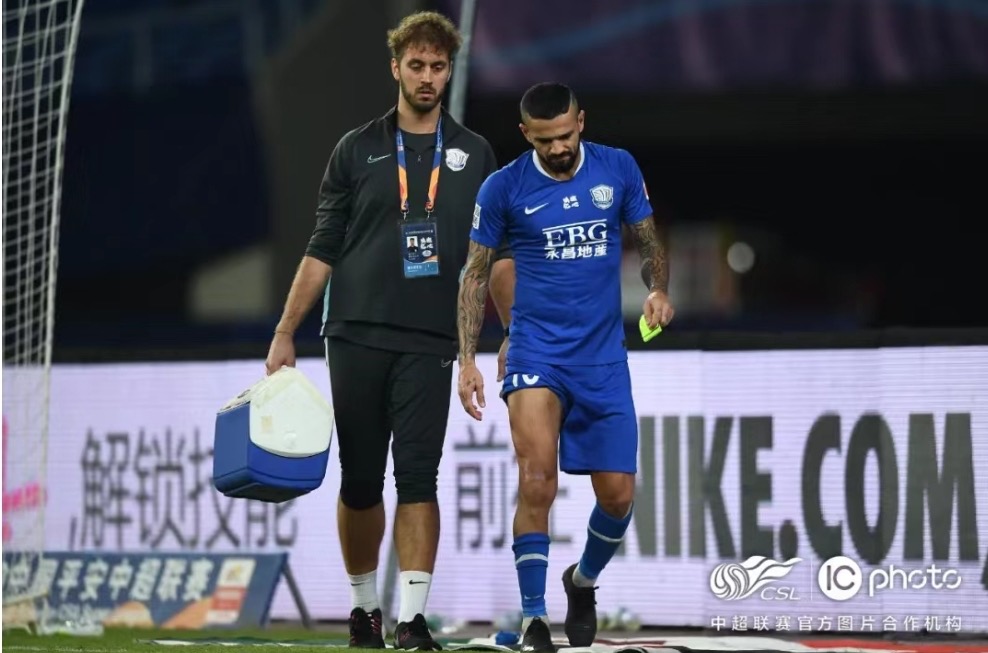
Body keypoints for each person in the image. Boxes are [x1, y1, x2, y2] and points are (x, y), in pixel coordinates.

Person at [264, 11, 514, 650]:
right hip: (353, 332)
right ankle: (363, 611)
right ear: (395, 67)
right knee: (359, 480)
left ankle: (412, 619)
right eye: (416, 65)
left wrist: (508, 333)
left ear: (450, 71)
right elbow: (321, 247)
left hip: (430, 340)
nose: (427, 77)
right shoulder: (355, 148)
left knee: (420, 479)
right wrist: (286, 330)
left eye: (438, 67)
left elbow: (490, 261)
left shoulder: (476, 154)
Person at [455, 82, 674, 653]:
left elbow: (649, 241)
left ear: (581, 121)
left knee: (619, 496)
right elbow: (477, 274)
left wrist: (657, 289)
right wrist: (467, 358)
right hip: (536, 353)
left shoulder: (617, 168)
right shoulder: (503, 188)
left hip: (602, 356)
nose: (557, 148)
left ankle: (582, 581)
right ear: (526, 134)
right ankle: (534, 619)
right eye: (544, 140)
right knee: (536, 479)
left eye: (565, 136)